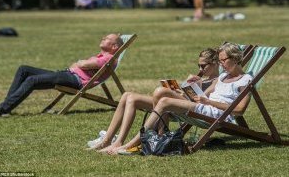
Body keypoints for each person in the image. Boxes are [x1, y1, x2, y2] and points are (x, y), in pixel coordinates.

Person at [110, 43, 253, 155]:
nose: (221, 64)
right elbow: (201, 97)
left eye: (223, 60)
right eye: (220, 61)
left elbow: (239, 110)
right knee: (162, 93)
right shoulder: (222, 77)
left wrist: (209, 102)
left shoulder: (245, 80)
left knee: (164, 101)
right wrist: (186, 90)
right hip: (205, 108)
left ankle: (133, 144)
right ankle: (155, 138)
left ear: (235, 58)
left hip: (219, 115)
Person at [88, 48, 219, 153]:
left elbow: (201, 104)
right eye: (199, 66)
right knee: (128, 96)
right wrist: (182, 88)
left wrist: (194, 88)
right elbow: (187, 96)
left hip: (192, 109)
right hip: (173, 104)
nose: (200, 69)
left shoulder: (217, 81)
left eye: (203, 66)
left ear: (215, 63)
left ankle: (158, 134)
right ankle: (110, 141)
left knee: (161, 91)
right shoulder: (201, 78)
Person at [0, 34, 123, 117]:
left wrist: (81, 62)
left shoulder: (109, 59)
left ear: (114, 47)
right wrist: (80, 63)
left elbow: (82, 65)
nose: (102, 38)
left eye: (106, 38)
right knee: (24, 69)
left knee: (32, 80)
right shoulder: (101, 57)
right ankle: (6, 106)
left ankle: (0, 109)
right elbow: (79, 64)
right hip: (67, 74)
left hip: (75, 80)